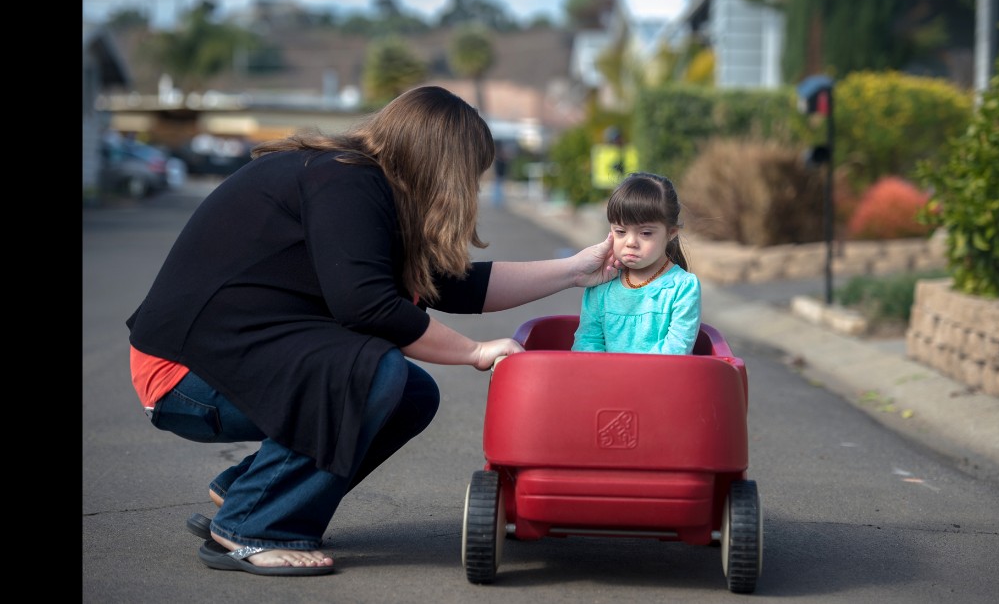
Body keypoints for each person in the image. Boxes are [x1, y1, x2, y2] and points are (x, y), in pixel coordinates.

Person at [126, 86, 620, 576]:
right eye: (469, 171)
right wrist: (475, 351)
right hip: (183, 376)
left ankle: (253, 491)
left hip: (228, 364)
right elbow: (368, 308)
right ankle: (251, 526)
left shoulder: (364, 186)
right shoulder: (344, 180)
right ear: (443, 163)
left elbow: (454, 287)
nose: (468, 185)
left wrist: (576, 270)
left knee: (411, 392)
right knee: (372, 372)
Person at [571, 172, 701, 355]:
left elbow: (676, 349)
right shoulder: (601, 284)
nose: (630, 242)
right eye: (621, 231)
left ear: (671, 232)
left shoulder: (682, 287)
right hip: (603, 380)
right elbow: (587, 340)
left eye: (646, 233)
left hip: (660, 381)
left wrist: (631, 377)